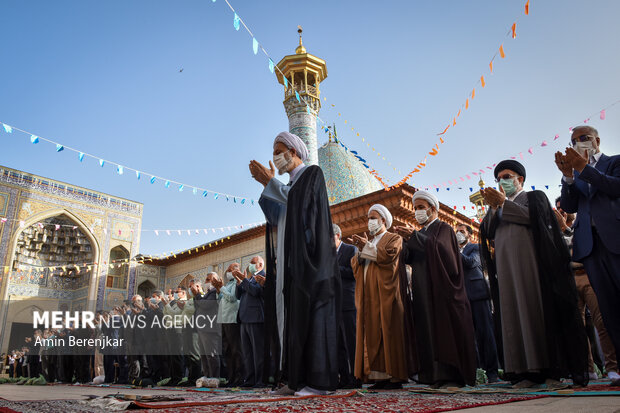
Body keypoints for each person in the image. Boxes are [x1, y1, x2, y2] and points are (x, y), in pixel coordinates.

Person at [480, 159, 588, 387]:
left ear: (520, 179)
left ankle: (550, 370)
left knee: (536, 313)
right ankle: (524, 372)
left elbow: (535, 219)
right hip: (507, 271)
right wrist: (494, 207)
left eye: (507, 177)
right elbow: (488, 232)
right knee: (513, 317)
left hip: (532, 268)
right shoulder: (497, 206)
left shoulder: (534, 197)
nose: (502, 182)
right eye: (499, 179)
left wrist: (503, 205)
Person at [250, 131, 340, 396]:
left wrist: (270, 182)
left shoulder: (312, 174)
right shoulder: (289, 187)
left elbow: (302, 205)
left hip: (311, 264)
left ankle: (317, 383)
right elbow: (278, 215)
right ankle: (294, 380)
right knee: (292, 322)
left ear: (295, 151)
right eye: (275, 152)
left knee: (312, 321)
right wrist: (267, 186)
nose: (277, 156)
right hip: (292, 266)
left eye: (280, 150)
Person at [555, 126, 620, 386]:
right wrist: (569, 177)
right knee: (609, 308)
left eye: (583, 138)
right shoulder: (577, 174)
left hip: (615, 239)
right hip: (590, 248)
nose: (578, 143)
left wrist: (585, 169)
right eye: (573, 140)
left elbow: (615, 188)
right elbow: (569, 205)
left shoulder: (613, 162)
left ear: (597, 140)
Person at [396, 192, 477, 387]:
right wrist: (406, 242)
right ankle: (432, 375)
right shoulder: (421, 232)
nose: (417, 212)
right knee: (426, 331)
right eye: (415, 208)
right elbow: (410, 258)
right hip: (422, 290)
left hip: (441, 289)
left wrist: (414, 237)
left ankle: (450, 375)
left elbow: (442, 251)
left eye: (421, 207)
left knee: (443, 330)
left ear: (433, 208)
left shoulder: (444, 228)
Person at [554, 197, 618, 382]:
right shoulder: (555, 232)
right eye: (558, 209)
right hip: (570, 279)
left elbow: (582, 243)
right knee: (578, 327)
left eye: (563, 208)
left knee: (602, 322)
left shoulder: (582, 223)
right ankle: (587, 369)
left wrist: (565, 229)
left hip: (589, 276)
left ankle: (612, 367)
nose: (561, 211)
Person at [350, 204, 407, 389]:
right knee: (371, 333)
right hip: (368, 297)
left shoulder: (394, 238)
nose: (370, 221)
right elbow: (355, 264)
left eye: (373, 217)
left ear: (383, 220)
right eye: (368, 218)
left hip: (386, 294)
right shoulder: (370, 242)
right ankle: (376, 377)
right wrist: (361, 252)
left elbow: (388, 257)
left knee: (387, 332)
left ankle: (393, 377)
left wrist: (366, 247)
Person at [455, 224, 499, 383]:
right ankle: (476, 371)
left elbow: (471, 263)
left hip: (478, 294)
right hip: (462, 297)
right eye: (457, 231)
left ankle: (492, 372)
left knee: (485, 334)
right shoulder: (454, 250)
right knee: (469, 337)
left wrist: (454, 249)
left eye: (461, 231)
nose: (458, 234)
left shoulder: (476, 247)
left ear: (469, 234)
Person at [333, 223, 359, 389]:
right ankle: (343, 377)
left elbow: (353, 273)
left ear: (337, 236)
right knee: (338, 344)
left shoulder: (351, 250)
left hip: (348, 301)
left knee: (351, 341)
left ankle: (356, 377)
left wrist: (333, 266)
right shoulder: (325, 254)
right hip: (332, 304)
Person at [234, 258, 266, 388]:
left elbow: (255, 291)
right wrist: (239, 282)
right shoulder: (250, 278)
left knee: (257, 352)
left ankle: (260, 380)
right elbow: (238, 295)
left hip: (255, 318)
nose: (250, 265)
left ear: (260, 264)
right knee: (247, 352)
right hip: (244, 318)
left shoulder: (262, 276)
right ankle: (249, 380)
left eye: (253, 263)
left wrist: (245, 280)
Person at [214, 265, 243, 387]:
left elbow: (232, 298)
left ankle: (239, 378)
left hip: (232, 320)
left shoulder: (238, 283)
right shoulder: (227, 285)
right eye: (228, 270)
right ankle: (230, 378)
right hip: (223, 320)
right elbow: (221, 300)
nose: (228, 272)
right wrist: (218, 290)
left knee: (235, 350)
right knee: (227, 351)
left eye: (231, 270)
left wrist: (221, 288)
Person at [190, 277, 221, 382]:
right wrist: (197, 296)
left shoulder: (213, 292)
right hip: (202, 328)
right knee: (204, 355)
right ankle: (207, 376)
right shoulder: (207, 294)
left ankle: (214, 377)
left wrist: (197, 295)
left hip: (210, 328)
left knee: (211, 354)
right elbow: (198, 306)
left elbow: (206, 305)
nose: (206, 282)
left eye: (208, 279)